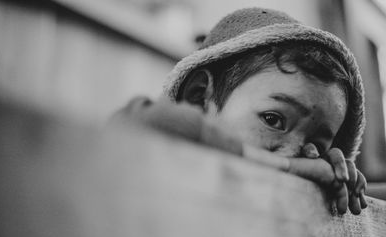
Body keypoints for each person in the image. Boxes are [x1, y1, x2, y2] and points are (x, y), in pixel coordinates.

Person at [112, 8, 367, 215]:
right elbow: (151, 121)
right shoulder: (155, 159)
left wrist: (338, 182)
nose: (296, 153)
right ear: (199, 97)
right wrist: (288, 167)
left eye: (317, 146)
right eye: (273, 120)